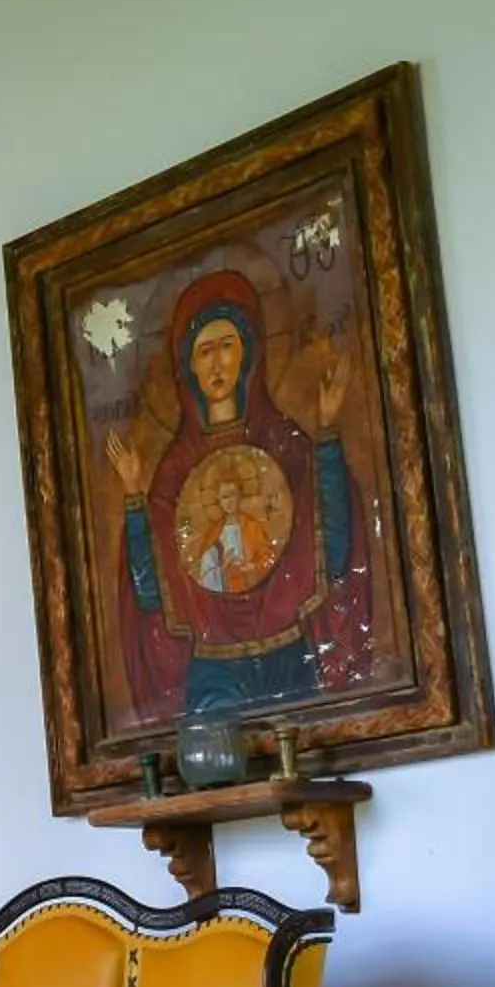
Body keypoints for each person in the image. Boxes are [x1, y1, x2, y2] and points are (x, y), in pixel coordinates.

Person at [104, 270, 372, 720]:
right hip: (214, 667)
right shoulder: (176, 468)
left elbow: (336, 545)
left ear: (249, 352)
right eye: (203, 351)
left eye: (226, 346)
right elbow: (152, 594)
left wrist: (327, 434)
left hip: (289, 652)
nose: (216, 364)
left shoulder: (284, 441)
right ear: (187, 365)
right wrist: (134, 496)